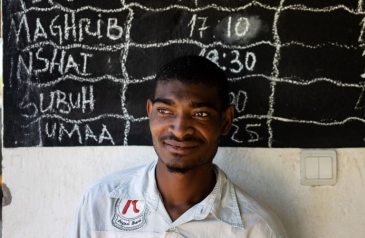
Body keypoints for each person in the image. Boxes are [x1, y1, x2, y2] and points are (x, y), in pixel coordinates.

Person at [69, 55, 288, 237]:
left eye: (200, 114)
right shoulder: (101, 203)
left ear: (225, 121)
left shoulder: (256, 229)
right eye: (165, 111)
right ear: (149, 112)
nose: (180, 129)